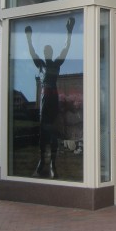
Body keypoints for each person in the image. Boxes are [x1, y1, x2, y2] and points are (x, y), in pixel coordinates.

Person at [25, 17, 75, 178]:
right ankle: (42, 161)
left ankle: (53, 163)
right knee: (43, 131)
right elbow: (32, 51)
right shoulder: (40, 64)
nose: (48, 52)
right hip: (44, 99)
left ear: (51, 53)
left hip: (53, 99)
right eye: (46, 50)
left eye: (49, 50)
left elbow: (66, 48)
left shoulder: (56, 64)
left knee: (53, 131)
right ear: (44, 53)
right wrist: (28, 38)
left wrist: (69, 32)